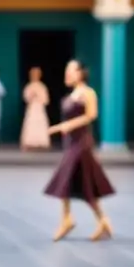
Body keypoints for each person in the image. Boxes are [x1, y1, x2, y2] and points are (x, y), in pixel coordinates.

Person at [45, 60, 114, 242]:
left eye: (71, 70)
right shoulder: (72, 94)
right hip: (71, 142)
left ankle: (67, 218)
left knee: (67, 177)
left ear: (81, 73)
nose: (67, 74)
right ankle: (101, 220)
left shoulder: (88, 93)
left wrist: (65, 125)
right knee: (81, 182)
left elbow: (91, 115)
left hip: (82, 142)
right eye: (67, 71)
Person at [20, 66, 50, 150]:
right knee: (30, 123)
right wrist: (31, 96)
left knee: (40, 123)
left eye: (36, 74)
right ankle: (29, 143)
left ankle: (41, 143)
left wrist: (39, 96)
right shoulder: (29, 86)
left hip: (39, 107)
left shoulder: (42, 86)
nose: (35, 76)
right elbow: (25, 97)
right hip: (32, 107)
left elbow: (46, 100)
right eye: (33, 75)